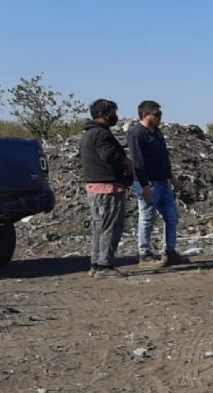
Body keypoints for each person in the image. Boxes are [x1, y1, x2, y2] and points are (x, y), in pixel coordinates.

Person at [128, 100, 190, 267]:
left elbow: (164, 157)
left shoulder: (157, 133)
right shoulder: (136, 133)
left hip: (163, 182)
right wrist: (145, 186)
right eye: (157, 114)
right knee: (147, 218)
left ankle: (170, 251)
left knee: (171, 217)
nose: (160, 117)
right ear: (145, 115)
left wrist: (172, 177)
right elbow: (138, 162)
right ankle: (144, 253)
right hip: (148, 183)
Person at [79, 99, 134, 278]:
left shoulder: (88, 134)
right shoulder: (101, 135)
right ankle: (104, 265)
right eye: (112, 112)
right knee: (110, 227)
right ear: (102, 114)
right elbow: (109, 156)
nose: (114, 116)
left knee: (99, 227)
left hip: (94, 187)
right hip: (108, 188)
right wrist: (127, 163)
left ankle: (96, 264)